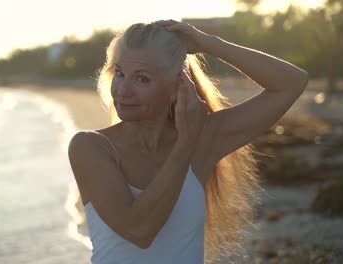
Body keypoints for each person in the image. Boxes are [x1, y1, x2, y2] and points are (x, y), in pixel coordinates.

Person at [68, 19, 308, 263]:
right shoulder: (90, 147)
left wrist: (209, 44)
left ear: (176, 87)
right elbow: (138, 230)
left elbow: (291, 83)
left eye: (142, 79)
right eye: (119, 73)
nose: (122, 90)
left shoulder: (204, 139)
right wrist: (185, 144)